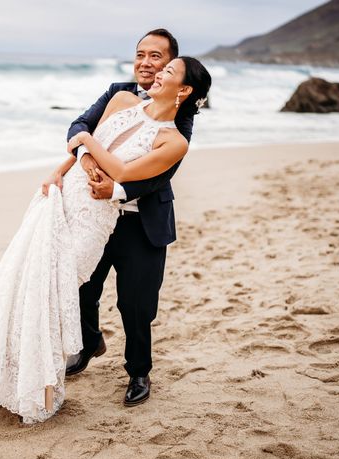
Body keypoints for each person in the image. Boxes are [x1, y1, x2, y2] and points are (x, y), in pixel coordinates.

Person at [0, 55, 212, 423]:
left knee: (66, 297)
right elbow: (84, 139)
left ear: (186, 89)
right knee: (20, 280)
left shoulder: (175, 138)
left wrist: (91, 151)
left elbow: (125, 171)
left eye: (166, 68)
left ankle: (128, 373)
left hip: (99, 220)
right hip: (60, 202)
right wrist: (64, 164)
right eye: (148, 60)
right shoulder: (123, 99)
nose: (155, 71)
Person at [63, 29, 196, 407]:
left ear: (171, 63)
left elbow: (162, 172)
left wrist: (117, 190)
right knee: (82, 285)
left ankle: (139, 371)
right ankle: (90, 343)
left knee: (136, 303)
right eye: (141, 54)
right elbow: (79, 127)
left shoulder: (180, 112)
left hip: (142, 220)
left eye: (157, 57)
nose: (146, 63)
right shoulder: (117, 92)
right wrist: (87, 161)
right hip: (94, 213)